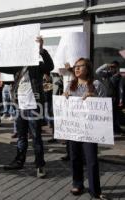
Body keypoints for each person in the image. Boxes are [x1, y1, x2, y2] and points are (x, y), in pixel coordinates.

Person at [1, 37, 54, 179]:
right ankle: (19, 161)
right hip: (20, 106)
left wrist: (42, 50)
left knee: (36, 136)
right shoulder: (17, 68)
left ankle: (40, 166)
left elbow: (50, 66)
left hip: (34, 107)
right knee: (21, 136)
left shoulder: (37, 65)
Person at [64, 58, 107, 199]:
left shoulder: (96, 84)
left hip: (90, 129)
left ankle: (95, 190)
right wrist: (64, 98)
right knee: (75, 157)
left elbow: (105, 106)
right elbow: (64, 106)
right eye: (75, 67)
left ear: (87, 68)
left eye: (80, 66)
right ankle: (77, 184)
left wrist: (94, 98)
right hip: (74, 128)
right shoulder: (70, 85)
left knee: (91, 159)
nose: (76, 69)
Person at [96, 61, 124, 134]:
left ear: (117, 68)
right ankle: (107, 129)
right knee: (104, 114)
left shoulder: (119, 77)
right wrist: (106, 65)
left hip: (114, 98)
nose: (112, 68)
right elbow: (97, 71)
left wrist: (121, 100)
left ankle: (114, 129)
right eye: (111, 67)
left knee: (113, 115)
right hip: (105, 98)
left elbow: (121, 89)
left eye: (114, 67)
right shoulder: (107, 74)